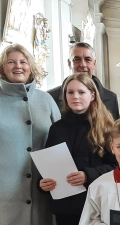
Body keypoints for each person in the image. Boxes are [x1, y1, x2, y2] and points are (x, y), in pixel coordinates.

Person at [39, 73, 117, 225]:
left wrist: (88, 175)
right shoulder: (56, 128)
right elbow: (48, 166)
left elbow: (117, 166)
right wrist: (42, 183)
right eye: (70, 92)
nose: (75, 96)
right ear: (65, 96)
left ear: (92, 95)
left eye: (81, 92)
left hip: (95, 205)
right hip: (64, 208)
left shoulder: (106, 128)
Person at [0, 43, 60, 225]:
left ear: (31, 67)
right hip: (6, 194)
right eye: (11, 62)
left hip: (45, 190)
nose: (18, 66)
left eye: (23, 62)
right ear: (2, 68)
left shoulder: (46, 99)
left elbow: (60, 142)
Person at [48, 42, 119, 119]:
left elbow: (114, 130)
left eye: (87, 60)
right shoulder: (51, 97)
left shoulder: (111, 97)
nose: (83, 64)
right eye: (77, 59)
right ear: (69, 63)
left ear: (94, 63)